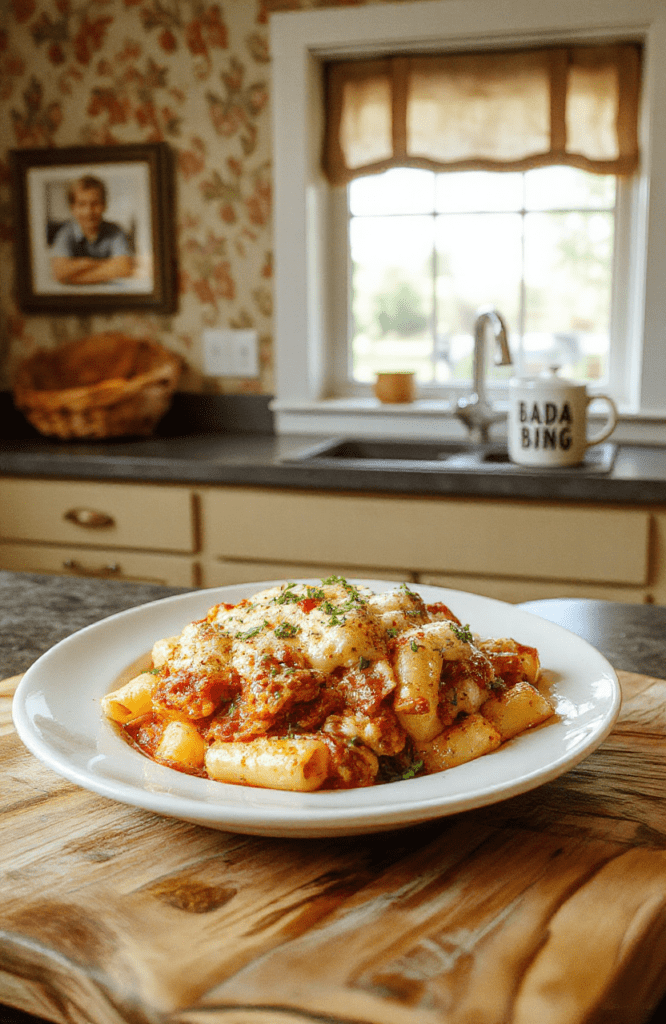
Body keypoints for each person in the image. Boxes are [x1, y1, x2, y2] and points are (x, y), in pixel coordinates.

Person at [50, 175, 135, 285]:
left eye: (95, 204)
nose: (88, 211)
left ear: (104, 205)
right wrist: (98, 264)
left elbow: (124, 268)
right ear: (73, 208)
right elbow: (59, 272)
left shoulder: (115, 231)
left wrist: (74, 278)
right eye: (82, 204)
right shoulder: (65, 232)